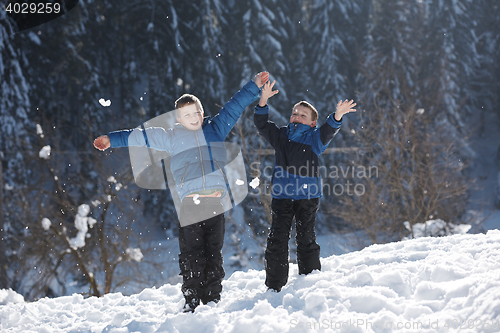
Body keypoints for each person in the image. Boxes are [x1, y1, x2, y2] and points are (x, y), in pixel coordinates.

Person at [94, 71, 269, 312]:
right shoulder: (171, 138)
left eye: (196, 112)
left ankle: (212, 300)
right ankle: (192, 300)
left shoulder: (215, 128)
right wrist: (111, 140)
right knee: (192, 255)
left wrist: (254, 85)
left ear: (202, 112)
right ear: (179, 118)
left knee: (213, 255)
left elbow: (234, 106)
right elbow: (139, 137)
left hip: (216, 204)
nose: (193, 117)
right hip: (191, 205)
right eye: (187, 115)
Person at [254, 80, 356, 292]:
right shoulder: (281, 136)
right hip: (282, 196)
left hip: (307, 197)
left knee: (306, 238)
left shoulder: (314, 138)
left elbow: (328, 130)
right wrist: (263, 101)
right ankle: (274, 285)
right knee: (277, 240)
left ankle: (309, 280)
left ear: (311, 123)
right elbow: (262, 125)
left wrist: (337, 115)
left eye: (302, 115)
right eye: (294, 113)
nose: (296, 117)